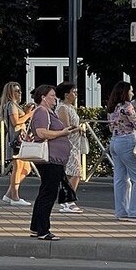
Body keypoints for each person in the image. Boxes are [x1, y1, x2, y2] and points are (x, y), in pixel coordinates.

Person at [28, 84, 78, 241]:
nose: (54, 98)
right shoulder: (42, 111)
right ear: (43, 97)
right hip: (50, 159)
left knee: (45, 192)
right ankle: (43, 230)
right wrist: (62, 133)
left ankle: (37, 227)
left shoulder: (48, 112)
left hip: (54, 158)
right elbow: (41, 132)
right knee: (49, 194)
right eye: (51, 95)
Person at [0, 82, 35, 206]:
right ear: (10, 93)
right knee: (18, 168)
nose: (19, 93)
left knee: (26, 168)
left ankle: (9, 194)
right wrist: (29, 114)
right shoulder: (11, 105)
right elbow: (15, 122)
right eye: (16, 91)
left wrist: (26, 111)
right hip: (16, 139)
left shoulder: (14, 105)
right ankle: (15, 197)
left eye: (20, 90)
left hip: (20, 138)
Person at [106, 81, 136, 221]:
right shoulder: (127, 107)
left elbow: (109, 127)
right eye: (130, 91)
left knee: (120, 178)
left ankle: (121, 211)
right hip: (127, 140)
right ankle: (134, 211)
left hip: (114, 140)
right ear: (125, 92)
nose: (132, 93)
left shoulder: (112, 108)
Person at [55, 82, 85, 214]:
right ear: (66, 95)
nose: (76, 94)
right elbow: (66, 127)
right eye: (74, 92)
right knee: (75, 172)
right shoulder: (62, 108)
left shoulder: (70, 107)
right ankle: (67, 200)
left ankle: (67, 199)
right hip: (68, 144)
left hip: (75, 144)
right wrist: (79, 128)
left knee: (73, 172)